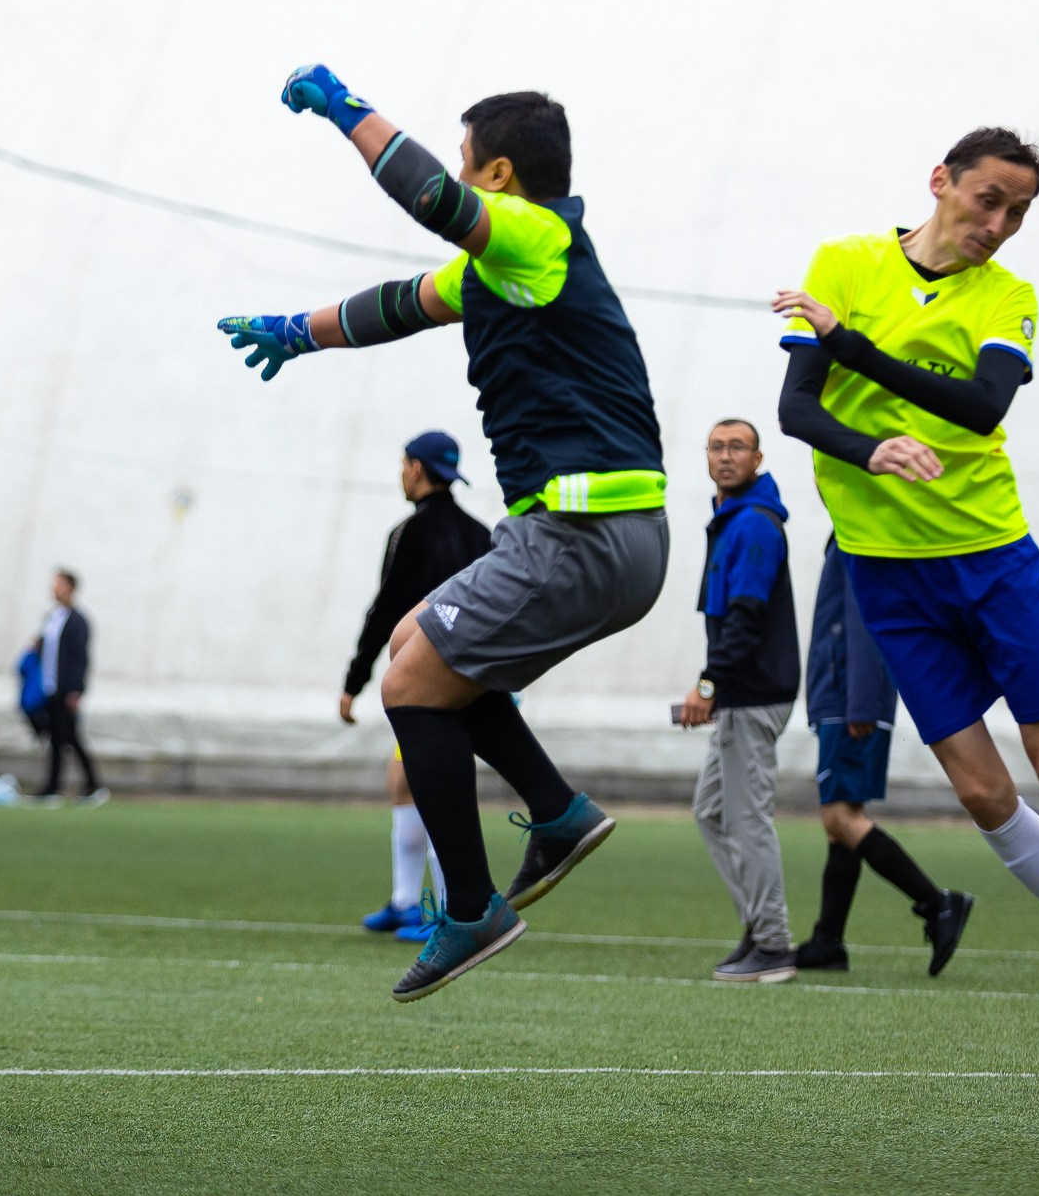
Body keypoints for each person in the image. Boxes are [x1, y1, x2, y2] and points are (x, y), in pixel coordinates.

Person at [218, 70, 668, 1001]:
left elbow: (429, 197)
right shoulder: (507, 268)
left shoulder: (539, 236)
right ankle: (555, 811)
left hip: (585, 530)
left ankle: (470, 906)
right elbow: (398, 303)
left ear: (499, 174)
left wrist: (347, 110)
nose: (460, 177)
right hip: (590, 535)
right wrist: (296, 333)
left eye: (470, 163)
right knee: (417, 638)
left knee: (409, 687)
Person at [772, 128, 1039, 1070]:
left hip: (991, 558)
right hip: (885, 571)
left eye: (1018, 212)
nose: (998, 224)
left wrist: (850, 343)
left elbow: (978, 409)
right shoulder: (844, 262)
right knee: (977, 787)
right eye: (986, 200)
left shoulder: (1009, 296)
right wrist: (868, 445)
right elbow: (798, 409)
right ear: (939, 182)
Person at [341, 431, 494, 943]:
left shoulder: (410, 533)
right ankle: (407, 902)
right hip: (476, 676)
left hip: (427, 682)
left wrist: (354, 680)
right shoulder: (480, 534)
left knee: (433, 784)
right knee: (405, 781)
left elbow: (385, 610)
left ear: (414, 468)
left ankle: (452, 910)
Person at [794, 536, 972, 974]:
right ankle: (827, 941)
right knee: (841, 823)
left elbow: (863, 620)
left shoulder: (857, 537)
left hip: (849, 701)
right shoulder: (853, 535)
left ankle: (937, 904)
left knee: (840, 818)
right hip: (848, 698)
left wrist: (861, 702)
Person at [677, 420, 800, 983]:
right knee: (712, 810)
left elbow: (745, 619)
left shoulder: (753, 524)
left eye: (737, 448)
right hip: (743, 695)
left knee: (747, 819)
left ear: (757, 458)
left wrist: (708, 687)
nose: (726, 456)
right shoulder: (734, 520)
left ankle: (773, 944)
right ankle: (758, 924)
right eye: (717, 447)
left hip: (751, 696)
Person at [35, 568, 107, 807]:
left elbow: (80, 658)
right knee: (59, 739)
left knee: (70, 739)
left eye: (59, 584)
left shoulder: (78, 621)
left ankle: (88, 785)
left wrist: (76, 690)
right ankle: (56, 787)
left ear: (70, 588)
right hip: (50, 687)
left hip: (66, 690)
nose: (54, 588)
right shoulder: (52, 618)